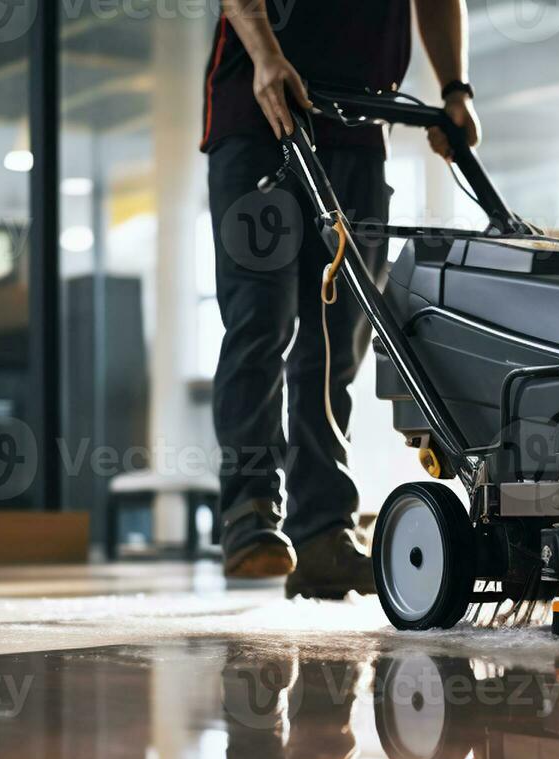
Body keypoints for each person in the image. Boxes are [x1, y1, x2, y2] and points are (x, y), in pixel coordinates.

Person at [202, 0, 480, 598]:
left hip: (356, 121)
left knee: (339, 339)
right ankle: (250, 510)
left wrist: (455, 88)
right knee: (261, 318)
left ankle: (323, 534)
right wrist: (266, 53)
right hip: (259, 106)